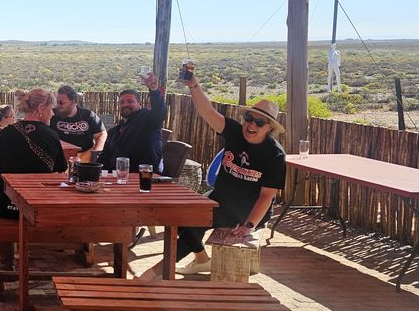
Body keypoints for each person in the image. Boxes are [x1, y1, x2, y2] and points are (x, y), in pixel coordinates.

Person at [139, 74, 286, 279]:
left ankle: (153, 273)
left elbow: (266, 196)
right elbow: (207, 111)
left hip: (246, 211)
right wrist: (194, 86)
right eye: (249, 119)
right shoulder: (235, 132)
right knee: (181, 221)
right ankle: (201, 261)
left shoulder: (274, 155)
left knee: (193, 228)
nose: (251, 125)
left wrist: (249, 225)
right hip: (220, 199)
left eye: (259, 122)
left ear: (269, 128)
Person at [0, 88, 68, 219]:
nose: (53, 114)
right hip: (38, 208)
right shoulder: (52, 136)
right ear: (41, 108)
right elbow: (59, 172)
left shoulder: (5, 133)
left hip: (4, 206)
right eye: (51, 108)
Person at [97, 72, 166, 173]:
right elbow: (104, 157)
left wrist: (154, 91)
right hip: (115, 178)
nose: (126, 105)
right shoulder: (115, 131)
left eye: (130, 101)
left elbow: (159, 112)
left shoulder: (147, 119)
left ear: (139, 103)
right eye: (122, 102)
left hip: (142, 177)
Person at [50, 85, 105, 161]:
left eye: (61, 103)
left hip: (86, 157)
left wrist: (95, 154)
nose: (58, 106)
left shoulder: (88, 115)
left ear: (73, 102)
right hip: (61, 157)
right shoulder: (52, 115)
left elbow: (101, 135)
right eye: (57, 102)